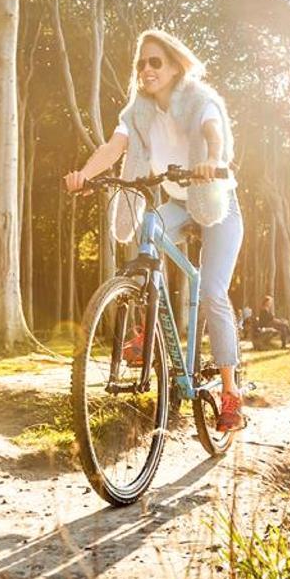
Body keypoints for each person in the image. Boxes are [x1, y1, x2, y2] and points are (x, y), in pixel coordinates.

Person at [64, 29, 247, 431]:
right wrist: (84, 174)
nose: (147, 69)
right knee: (149, 237)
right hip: (180, 203)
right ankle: (146, 331)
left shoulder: (197, 98)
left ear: (174, 66)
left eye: (155, 62)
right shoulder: (138, 111)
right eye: (141, 63)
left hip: (218, 203)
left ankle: (231, 393)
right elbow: (114, 146)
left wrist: (211, 160)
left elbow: (212, 131)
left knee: (213, 291)